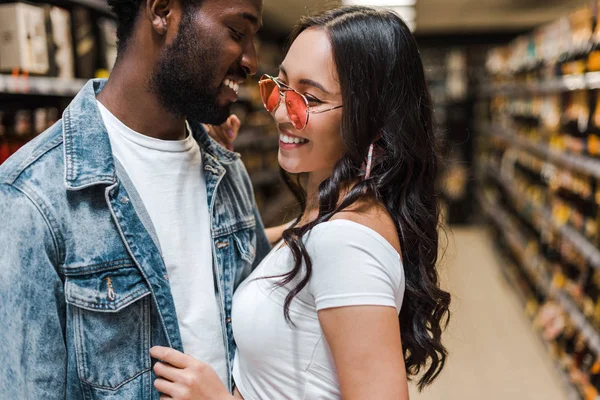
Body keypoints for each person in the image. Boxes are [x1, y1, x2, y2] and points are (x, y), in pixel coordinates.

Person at [150, 6, 451, 400]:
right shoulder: (332, 214)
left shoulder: (346, 243)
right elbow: (283, 245)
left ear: (371, 118)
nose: (278, 111)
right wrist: (217, 169)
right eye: (280, 86)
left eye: (308, 97)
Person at [0, 0, 270, 398]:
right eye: (236, 32)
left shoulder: (228, 172)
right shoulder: (33, 197)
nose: (251, 60)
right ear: (162, 11)